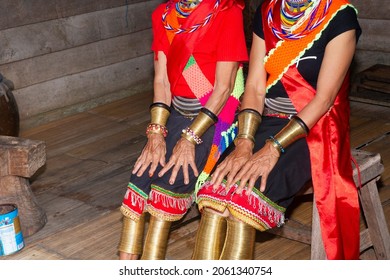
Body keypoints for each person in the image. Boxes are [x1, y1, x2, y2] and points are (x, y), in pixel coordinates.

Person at [192, 0, 362, 260]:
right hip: (266, 118)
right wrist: (245, 142)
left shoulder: (339, 16)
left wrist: (272, 149)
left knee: (241, 209)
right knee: (214, 200)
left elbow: (324, 99)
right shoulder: (269, 13)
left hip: (315, 128)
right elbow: (256, 87)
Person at [117, 0, 248, 260]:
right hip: (176, 114)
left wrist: (189, 139)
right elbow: (162, 81)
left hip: (215, 117)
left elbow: (223, 88)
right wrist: (155, 133)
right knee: (139, 179)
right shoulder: (165, 15)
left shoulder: (227, 12)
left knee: (170, 182)